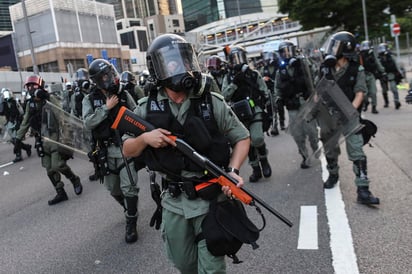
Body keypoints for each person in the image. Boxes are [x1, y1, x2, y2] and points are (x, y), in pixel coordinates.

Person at [122, 33, 250, 273]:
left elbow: (242, 138)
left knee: (212, 267)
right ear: (158, 69)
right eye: (172, 62)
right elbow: (127, 149)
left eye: (184, 60)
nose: (181, 67)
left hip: (211, 199)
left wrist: (233, 171)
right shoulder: (146, 108)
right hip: (173, 202)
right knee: (184, 264)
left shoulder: (211, 102)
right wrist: (144, 138)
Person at [82, 59, 139, 243]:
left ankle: (131, 222)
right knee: (113, 188)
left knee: (129, 187)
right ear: (98, 80)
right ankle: (128, 208)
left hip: (125, 147)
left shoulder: (123, 94)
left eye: (111, 73)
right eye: (106, 75)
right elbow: (88, 122)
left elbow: (137, 113)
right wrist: (106, 108)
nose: (111, 77)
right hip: (105, 151)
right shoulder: (89, 99)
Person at [320, 31, 379, 205]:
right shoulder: (325, 68)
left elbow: (360, 93)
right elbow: (317, 95)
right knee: (330, 147)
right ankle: (333, 174)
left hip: (350, 115)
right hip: (330, 115)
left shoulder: (356, 69)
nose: (332, 49)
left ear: (345, 49)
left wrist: (349, 111)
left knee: (357, 151)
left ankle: (363, 189)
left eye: (336, 45)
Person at [14, 75, 83, 205]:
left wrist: (66, 138)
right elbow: (25, 122)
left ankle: (74, 179)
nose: (30, 88)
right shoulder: (30, 104)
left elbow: (62, 117)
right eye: (28, 86)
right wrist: (18, 138)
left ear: (39, 86)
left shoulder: (50, 99)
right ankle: (60, 192)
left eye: (32, 85)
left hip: (54, 137)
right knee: (49, 169)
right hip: (41, 139)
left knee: (58, 165)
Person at [221, 45, 272, 182]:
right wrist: (234, 83)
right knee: (246, 141)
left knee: (257, 138)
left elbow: (265, 92)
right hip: (238, 114)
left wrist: (269, 111)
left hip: (255, 110)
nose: (238, 61)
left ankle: (264, 161)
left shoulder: (254, 74)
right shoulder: (228, 77)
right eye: (235, 59)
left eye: (241, 58)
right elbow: (224, 96)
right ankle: (255, 169)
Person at [275, 40, 319, 168]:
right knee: (297, 134)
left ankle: (316, 146)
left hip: (306, 101)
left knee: (312, 131)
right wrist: (278, 98)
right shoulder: (280, 71)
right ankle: (305, 156)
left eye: (289, 51)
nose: (287, 54)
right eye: (284, 52)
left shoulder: (303, 64)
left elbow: (315, 74)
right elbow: (277, 87)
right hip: (292, 105)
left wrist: (303, 64)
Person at [0, 88, 32, 162]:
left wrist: (18, 123)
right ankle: (27, 147)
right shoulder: (4, 104)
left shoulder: (14, 102)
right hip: (9, 123)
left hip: (16, 122)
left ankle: (18, 155)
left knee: (16, 139)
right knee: (12, 140)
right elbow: (1, 112)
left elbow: (20, 113)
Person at [358, 40, 386, 114]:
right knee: (364, 93)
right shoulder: (359, 55)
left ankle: (374, 107)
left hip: (371, 75)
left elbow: (377, 63)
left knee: (373, 92)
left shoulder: (372, 54)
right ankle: (366, 103)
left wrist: (383, 72)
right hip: (362, 76)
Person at [259, 50, 281, 136]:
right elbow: (259, 80)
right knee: (270, 110)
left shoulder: (278, 68)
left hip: (276, 91)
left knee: (276, 108)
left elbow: (280, 80)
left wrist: (271, 80)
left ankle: (276, 125)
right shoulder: (263, 69)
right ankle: (272, 125)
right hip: (267, 92)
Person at [377, 42, 402, 109]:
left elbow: (396, 65)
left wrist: (399, 73)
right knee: (384, 90)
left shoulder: (391, 56)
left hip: (391, 74)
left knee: (394, 88)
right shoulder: (378, 58)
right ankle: (386, 102)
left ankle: (396, 101)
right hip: (383, 75)